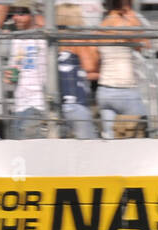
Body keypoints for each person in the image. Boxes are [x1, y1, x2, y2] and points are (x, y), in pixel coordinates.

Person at [97, 0, 148, 137]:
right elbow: (145, 45)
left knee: (110, 138)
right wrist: (131, 14)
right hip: (125, 89)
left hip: (104, 89)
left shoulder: (101, 26)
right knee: (139, 133)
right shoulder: (126, 24)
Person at [5, 1, 46, 137]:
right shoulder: (16, 39)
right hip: (19, 105)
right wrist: (9, 75)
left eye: (21, 13)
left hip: (37, 104)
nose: (16, 17)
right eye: (14, 13)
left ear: (33, 14)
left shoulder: (43, 39)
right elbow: (14, 68)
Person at [56, 3, 97, 138]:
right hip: (77, 104)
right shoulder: (77, 40)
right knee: (90, 147)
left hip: (60, 106)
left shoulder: (55, 43)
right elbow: (89, 66)